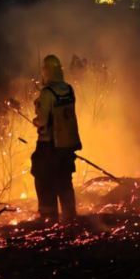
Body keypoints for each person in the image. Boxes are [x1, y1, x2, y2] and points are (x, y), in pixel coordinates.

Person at [31, 55, 83, 223]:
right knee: (64, 181)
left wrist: (36, 119)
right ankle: (70, 216)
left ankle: (49, 218)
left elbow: (43, 121)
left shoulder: (47, 93)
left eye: (44, 69)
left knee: (43, 179)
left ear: (47, 71)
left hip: (48, 147)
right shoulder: (69, 89)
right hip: (66, 147)